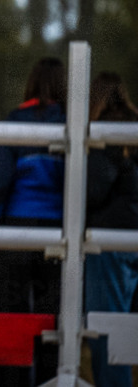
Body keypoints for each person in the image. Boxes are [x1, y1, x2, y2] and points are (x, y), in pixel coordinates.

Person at [0, 58, 66, 387]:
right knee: (52, 318)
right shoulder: (72, 123)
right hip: (59, 233)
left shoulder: (16, 120)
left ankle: (10, 382)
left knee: (11, 318)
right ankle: (50, 381)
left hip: (16, 229)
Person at [84, 72, 138, 387]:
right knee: (126, 330)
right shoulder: (134, 126)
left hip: (109, 243)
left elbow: (94, 189)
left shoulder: (104, 134)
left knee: (107, 331)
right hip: (132, 237)